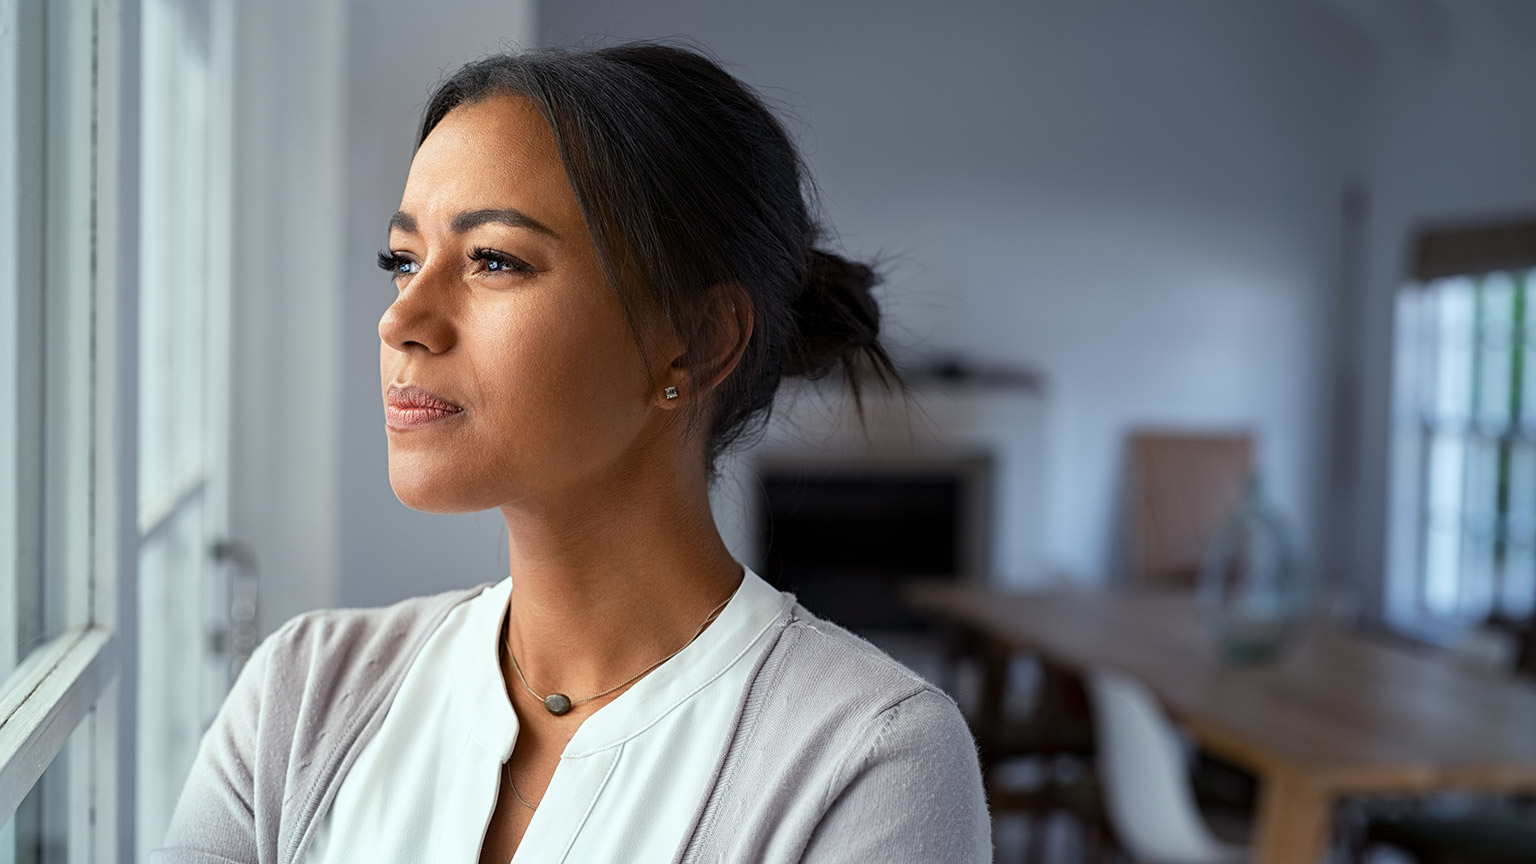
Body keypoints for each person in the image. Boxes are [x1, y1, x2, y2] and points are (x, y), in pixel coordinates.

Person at [155, 42, 989, 864]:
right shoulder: (302, 696)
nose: (401, 319)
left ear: (694, 344)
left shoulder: (870, 762)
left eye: (493, 260)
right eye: (403, 261)